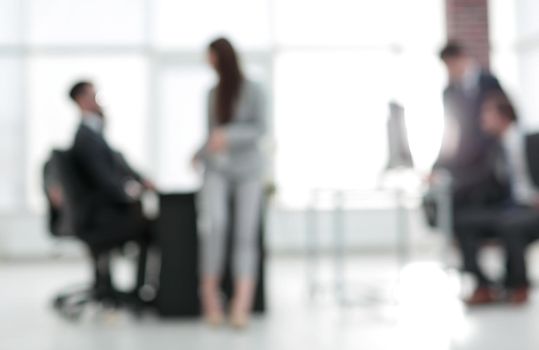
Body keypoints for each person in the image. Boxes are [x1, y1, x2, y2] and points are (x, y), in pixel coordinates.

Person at [194, 38, 265, 328]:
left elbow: (260, 129)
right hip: (217, 169)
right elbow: (210, 134)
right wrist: (198, 153)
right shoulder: (211, 94)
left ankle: (241, 304)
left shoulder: (255, 90)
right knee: (216, 226)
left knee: (245, 233)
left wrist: (228, 136)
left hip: (248, 170)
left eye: (211, 58)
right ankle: (210, 298)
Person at [68, 81, 155, 300]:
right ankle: (138, 294)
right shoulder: (85, 137)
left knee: (147, 224)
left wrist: (139, 180)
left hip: (102, 212)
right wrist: (130, 194)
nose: (99, 101)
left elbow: (117, 162)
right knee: (150, 230)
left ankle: (124, 289)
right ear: (81, 100)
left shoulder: (94, 133)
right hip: (102, 216)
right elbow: (105, 180)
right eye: (94, 96)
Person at [469, 92, 539, 304]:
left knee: (511, 225)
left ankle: (518, 285)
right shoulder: (493, 148)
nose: (482, 120)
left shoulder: (533, 140)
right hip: (508, 207)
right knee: (465, 222)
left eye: (486, 115)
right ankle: (485, 285)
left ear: (502, 116)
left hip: (533, 207)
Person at [433, 41, 505, 205]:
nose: (449, 71)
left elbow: (505, 118)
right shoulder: (449, 92)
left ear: (462, 58)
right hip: (464, 163)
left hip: (489, 161)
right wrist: (436, 168)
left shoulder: (489, 83)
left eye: (450, 65)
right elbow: (449, 136)